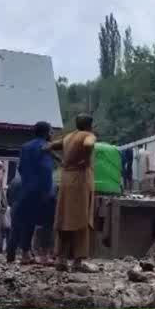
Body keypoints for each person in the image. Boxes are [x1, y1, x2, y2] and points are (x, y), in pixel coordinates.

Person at [48, 114, 99, 273]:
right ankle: (78, 261)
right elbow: (89, 143)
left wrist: (61, 161)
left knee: (64, 219)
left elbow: (48, 147)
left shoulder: (69, 137)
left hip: (66, 181)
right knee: (81, 220)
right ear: (90, 125)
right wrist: (85, 158)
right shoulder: (88, 135)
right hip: (80, 182)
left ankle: (61, 259)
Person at [11, 121, 55, 265]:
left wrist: (28, 183)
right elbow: (46, 170)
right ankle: (45, 255)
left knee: (28, 222)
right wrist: (47, 190)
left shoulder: (25, 146)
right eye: (51, 131)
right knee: (47, 223)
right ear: (46, 132)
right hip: (43, 190)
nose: (52, 134)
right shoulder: (46, 146)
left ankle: (25, 254)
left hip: (27, 189)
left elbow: (21, 168)